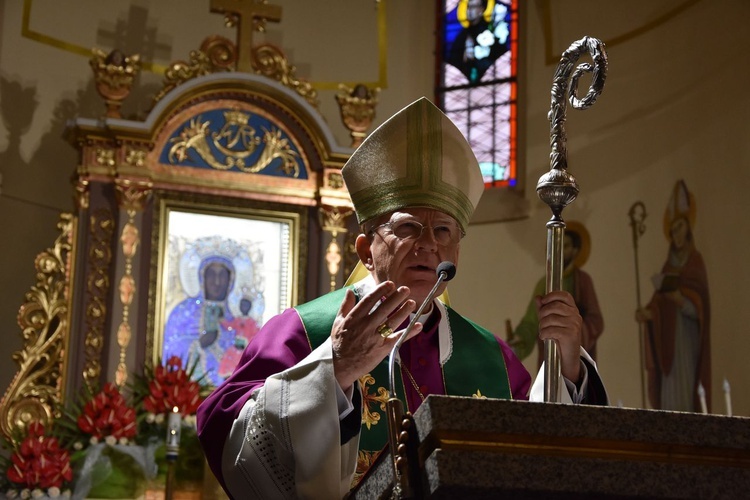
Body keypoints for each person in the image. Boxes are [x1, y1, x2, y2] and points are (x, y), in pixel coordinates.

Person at [197, 97, 608, 499]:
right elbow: (224, 430)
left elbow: (536, 458)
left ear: (457, 252)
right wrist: (333, 371)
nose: (429, 244)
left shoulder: (491, 358)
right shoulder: (303, 331)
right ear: (365, 250)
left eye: (444, 230)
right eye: (409, 227)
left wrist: (567, 368)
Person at [635, 180, 710, 412]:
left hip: (687, 339)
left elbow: (701, 307)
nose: (676, 234)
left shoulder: (695, 261)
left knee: (686, 387)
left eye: (679, 227)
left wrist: (683, 301)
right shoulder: (669, 265)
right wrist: (649, 313)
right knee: (669, 392)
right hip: (668, 341)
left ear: (688, 227)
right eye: (673, 230)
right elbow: (659, 300)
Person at [508, 221, 604, 366]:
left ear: (575, 250)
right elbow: (531, 322)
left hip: (576, 358)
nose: (561, 252)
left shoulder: (583, 280)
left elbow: (596, 321)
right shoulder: (544, 284)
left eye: (566, 246)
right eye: (557, 247)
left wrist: (573, 331)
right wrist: (519, 342)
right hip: (549, 357)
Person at [163, 257, 236, 387]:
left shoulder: (237, 322)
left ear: (230, 281)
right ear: (202, 278)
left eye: (222, 276)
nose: (217, 282)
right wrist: (199, 343)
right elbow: (171, 346)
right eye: (211, 275)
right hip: (187, 396)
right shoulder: (183, 312)